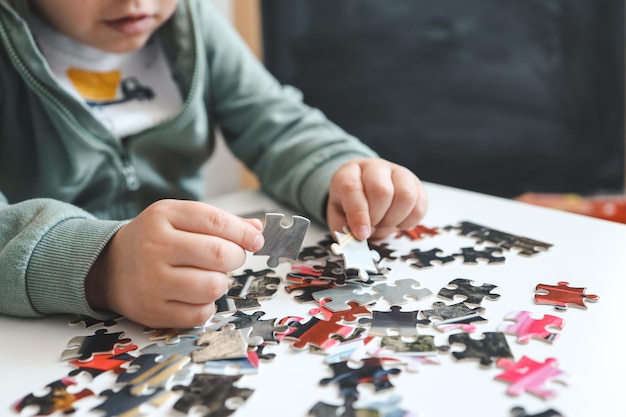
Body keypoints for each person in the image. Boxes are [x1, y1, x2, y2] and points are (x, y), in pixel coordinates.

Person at [0, 0, 427, 330]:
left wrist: (339, 169)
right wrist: (101, 266)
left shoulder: (191, 24)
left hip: (192, 302)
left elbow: (275, 123)